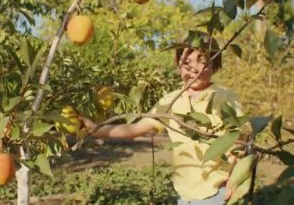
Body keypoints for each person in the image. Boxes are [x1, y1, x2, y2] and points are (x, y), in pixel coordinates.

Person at [81, 31, 243, 204]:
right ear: (178, 64)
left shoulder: (224, 97)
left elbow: (239, 142)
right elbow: (134, 129)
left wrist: (235, 180)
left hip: (216, 190)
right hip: (184, 192)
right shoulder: (171, 101)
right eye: (186, 62)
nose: (193, 68)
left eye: (202, 61)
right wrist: (93, 129)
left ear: (214, 65)